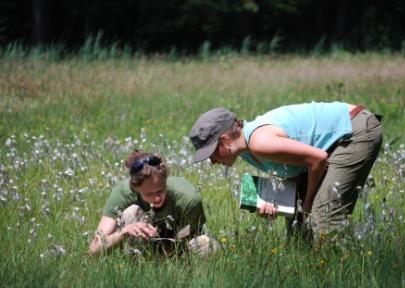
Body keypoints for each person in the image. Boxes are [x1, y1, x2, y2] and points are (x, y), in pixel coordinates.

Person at [189, 101, 382, 241]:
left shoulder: (259, 142)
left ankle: (340, 278)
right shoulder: (246, 150)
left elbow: (318, 158)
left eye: (211, 153)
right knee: (298, 228)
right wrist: (275, 202)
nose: (212, 161)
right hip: (337, 138)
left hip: (353, 131)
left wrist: (307, 203)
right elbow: (297, 171)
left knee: (325, 218)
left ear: (224, 141)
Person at [89, 150, 211, 256]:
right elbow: (94, 249)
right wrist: (124, 231)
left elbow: (189, 237)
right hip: (144, 250)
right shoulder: (122, 193)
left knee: (208, 246)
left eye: (160, 190)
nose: (157, 198)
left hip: (181, 248)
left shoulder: (188, 198)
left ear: (165, 180)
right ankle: (138, 271)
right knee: (131, 212)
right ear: (135, 188)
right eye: (149, 194)